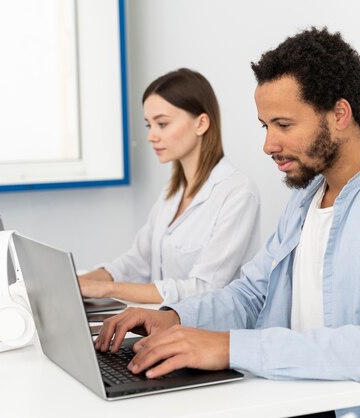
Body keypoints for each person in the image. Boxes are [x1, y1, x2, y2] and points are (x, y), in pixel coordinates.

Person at [94, 28, 360, 417]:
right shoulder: (304, 200)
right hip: (300, 404)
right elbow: (251, 294)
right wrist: (173, 317)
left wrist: (227, 347)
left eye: (284, 125)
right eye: (265, 126)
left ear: (339, 114)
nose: (268, 145)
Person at [78, 68, 261, 305]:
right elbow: (137, 261)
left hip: (209, 333)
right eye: (149, 125)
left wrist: (106, 289)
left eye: (162, 124)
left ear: (201, 123)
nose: (151, 136)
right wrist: (78, 283)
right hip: (164, 324)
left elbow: (205, 287)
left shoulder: (237, 193)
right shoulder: (171, 192)